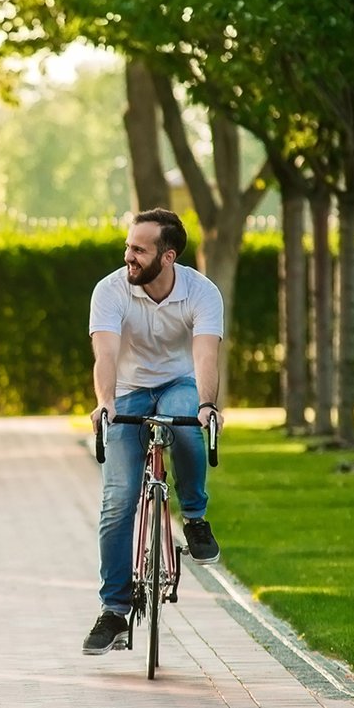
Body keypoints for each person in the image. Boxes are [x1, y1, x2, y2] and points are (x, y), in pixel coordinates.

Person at [83, 208, 225, 656]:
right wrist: (105, 403)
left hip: (180, 383)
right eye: (128, 246)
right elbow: (104, 354)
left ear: (167, 257)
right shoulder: (110, 290)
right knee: (117, 499)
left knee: (185, 429)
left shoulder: (201, 292)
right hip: (126, 391)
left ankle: (196, 519)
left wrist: (206, 405)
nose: (128, 256)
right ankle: (114, 612)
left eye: (139, 250)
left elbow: (205, 355)